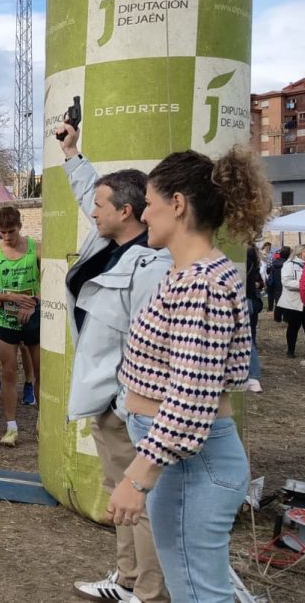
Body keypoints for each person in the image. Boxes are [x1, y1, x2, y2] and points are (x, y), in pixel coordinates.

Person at [109, 147, 269, 603]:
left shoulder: (202, 284)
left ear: (177, 204)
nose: (143, 213)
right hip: (183, 463)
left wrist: (136, 478)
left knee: (199, 594)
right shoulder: (191, 275)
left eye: (150, 202)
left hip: (190, 465)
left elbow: (190, 400)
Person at [56, 121, 172, 603]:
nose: (93, 212)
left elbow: (151, 343)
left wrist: (129, 400)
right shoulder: (112, 241)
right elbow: (91, 192)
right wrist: (72, 152)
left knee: (140, 503)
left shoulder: (152, 265)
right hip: (107, 396)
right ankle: (125, 580)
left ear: (127, 212)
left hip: (129, 400)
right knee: (120, 495)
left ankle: (147, 592)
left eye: (102, 207)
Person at [0, 206, 40, 446]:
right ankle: (11, 427)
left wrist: (34, 302)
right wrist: (11, 298)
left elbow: (52, 279)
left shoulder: (35, 247)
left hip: (33, 316)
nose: (6, 237)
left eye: (11, 232)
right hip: (6, 318)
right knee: (8, 373)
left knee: (39, 373)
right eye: (1, 232)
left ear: (20, 226)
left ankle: (41, 423)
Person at [277, 246, 305, 358]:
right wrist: (302, 285)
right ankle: (290, 350)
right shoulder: (289, 265)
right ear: (300, 253)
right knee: (293, 327)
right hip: (294, 302)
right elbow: (286, 282)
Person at [245, 244, 264, 393]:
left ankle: (253, 375)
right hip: (250, 300)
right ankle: (253, 375)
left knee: (246, 338)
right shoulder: (254, 262)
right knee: (249, 336)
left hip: (245, 300)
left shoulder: (244, 261)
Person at [267, 247, 288, 319]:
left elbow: (268, 271)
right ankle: (285, 317)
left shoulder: (274, 262)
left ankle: (277, 317)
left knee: (278, 300)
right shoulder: (288, 263)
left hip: (275, 283)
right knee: (286, 300)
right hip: (284, 283)